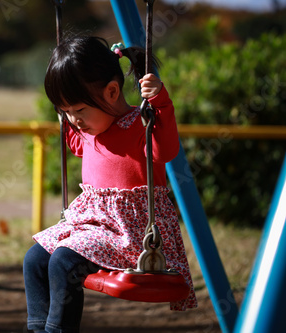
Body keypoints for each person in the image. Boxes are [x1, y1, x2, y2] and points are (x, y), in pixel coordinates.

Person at [23, 36, 197, 333]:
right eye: (66, 112)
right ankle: (38, 328)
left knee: (63, 261)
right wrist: (65, 111)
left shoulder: (140, 126)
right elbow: (74, 138)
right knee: (35, 259)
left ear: (113, 91)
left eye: (78, 110)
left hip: (130, 233)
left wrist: (161, 104)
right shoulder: (90, 128)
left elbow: (165, 150)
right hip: (91, 227)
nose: (73, 120)